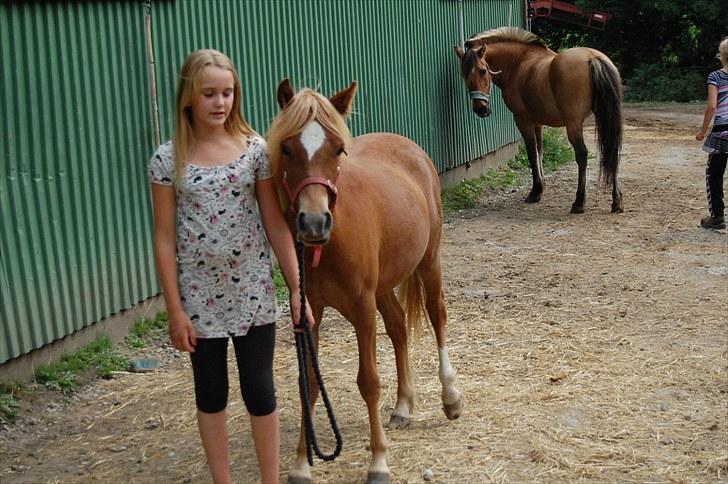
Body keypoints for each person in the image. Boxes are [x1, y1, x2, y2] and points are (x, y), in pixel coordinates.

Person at [148, 49, 313, 484]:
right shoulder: (167, 161)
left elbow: (275, 224)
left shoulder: (254, 150)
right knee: (211, 393)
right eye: (209, 94)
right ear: (188, 98)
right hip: (198, 299)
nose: (219, 102)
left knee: (260, 391)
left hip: (253, 292)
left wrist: (297, 288)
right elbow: (164, 239)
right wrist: (175, 310)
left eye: (227, 93)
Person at [696, 37, 728, 230]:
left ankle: (717, 217)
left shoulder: (715, 77)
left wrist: (702, 130)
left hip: (722, 132)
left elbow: (712, 106)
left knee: (714, 174)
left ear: (722, 56)